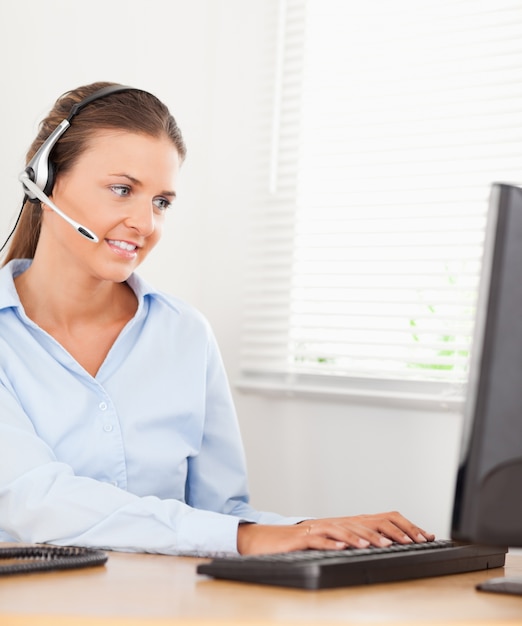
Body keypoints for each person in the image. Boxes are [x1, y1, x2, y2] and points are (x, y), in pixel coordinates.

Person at [0, 82, 434, 556]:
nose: (145, 224)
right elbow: (33, 501)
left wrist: (320, 533)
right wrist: (246, 536)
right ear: (45, 181)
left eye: (161, 202)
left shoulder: (185, 334)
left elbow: (219, 517)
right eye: (122, 190)